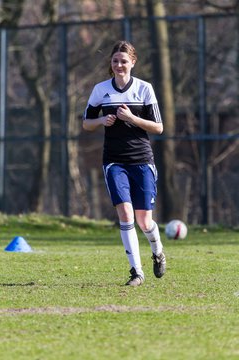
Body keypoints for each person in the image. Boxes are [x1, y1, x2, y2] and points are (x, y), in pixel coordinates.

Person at [83, 40, 166, 286]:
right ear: (111, 63)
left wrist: (132, 118)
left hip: (141, 160)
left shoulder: (144, 89)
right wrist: (101, 122)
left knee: (144, 221)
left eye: (123, 61)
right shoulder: (100, 90)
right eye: (115, 61)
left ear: (133, 62)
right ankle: (136, 272)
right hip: (114, 161)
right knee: (126, 213)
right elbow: (86, 123)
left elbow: (159, 127)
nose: (119, 65)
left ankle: (158, 251)